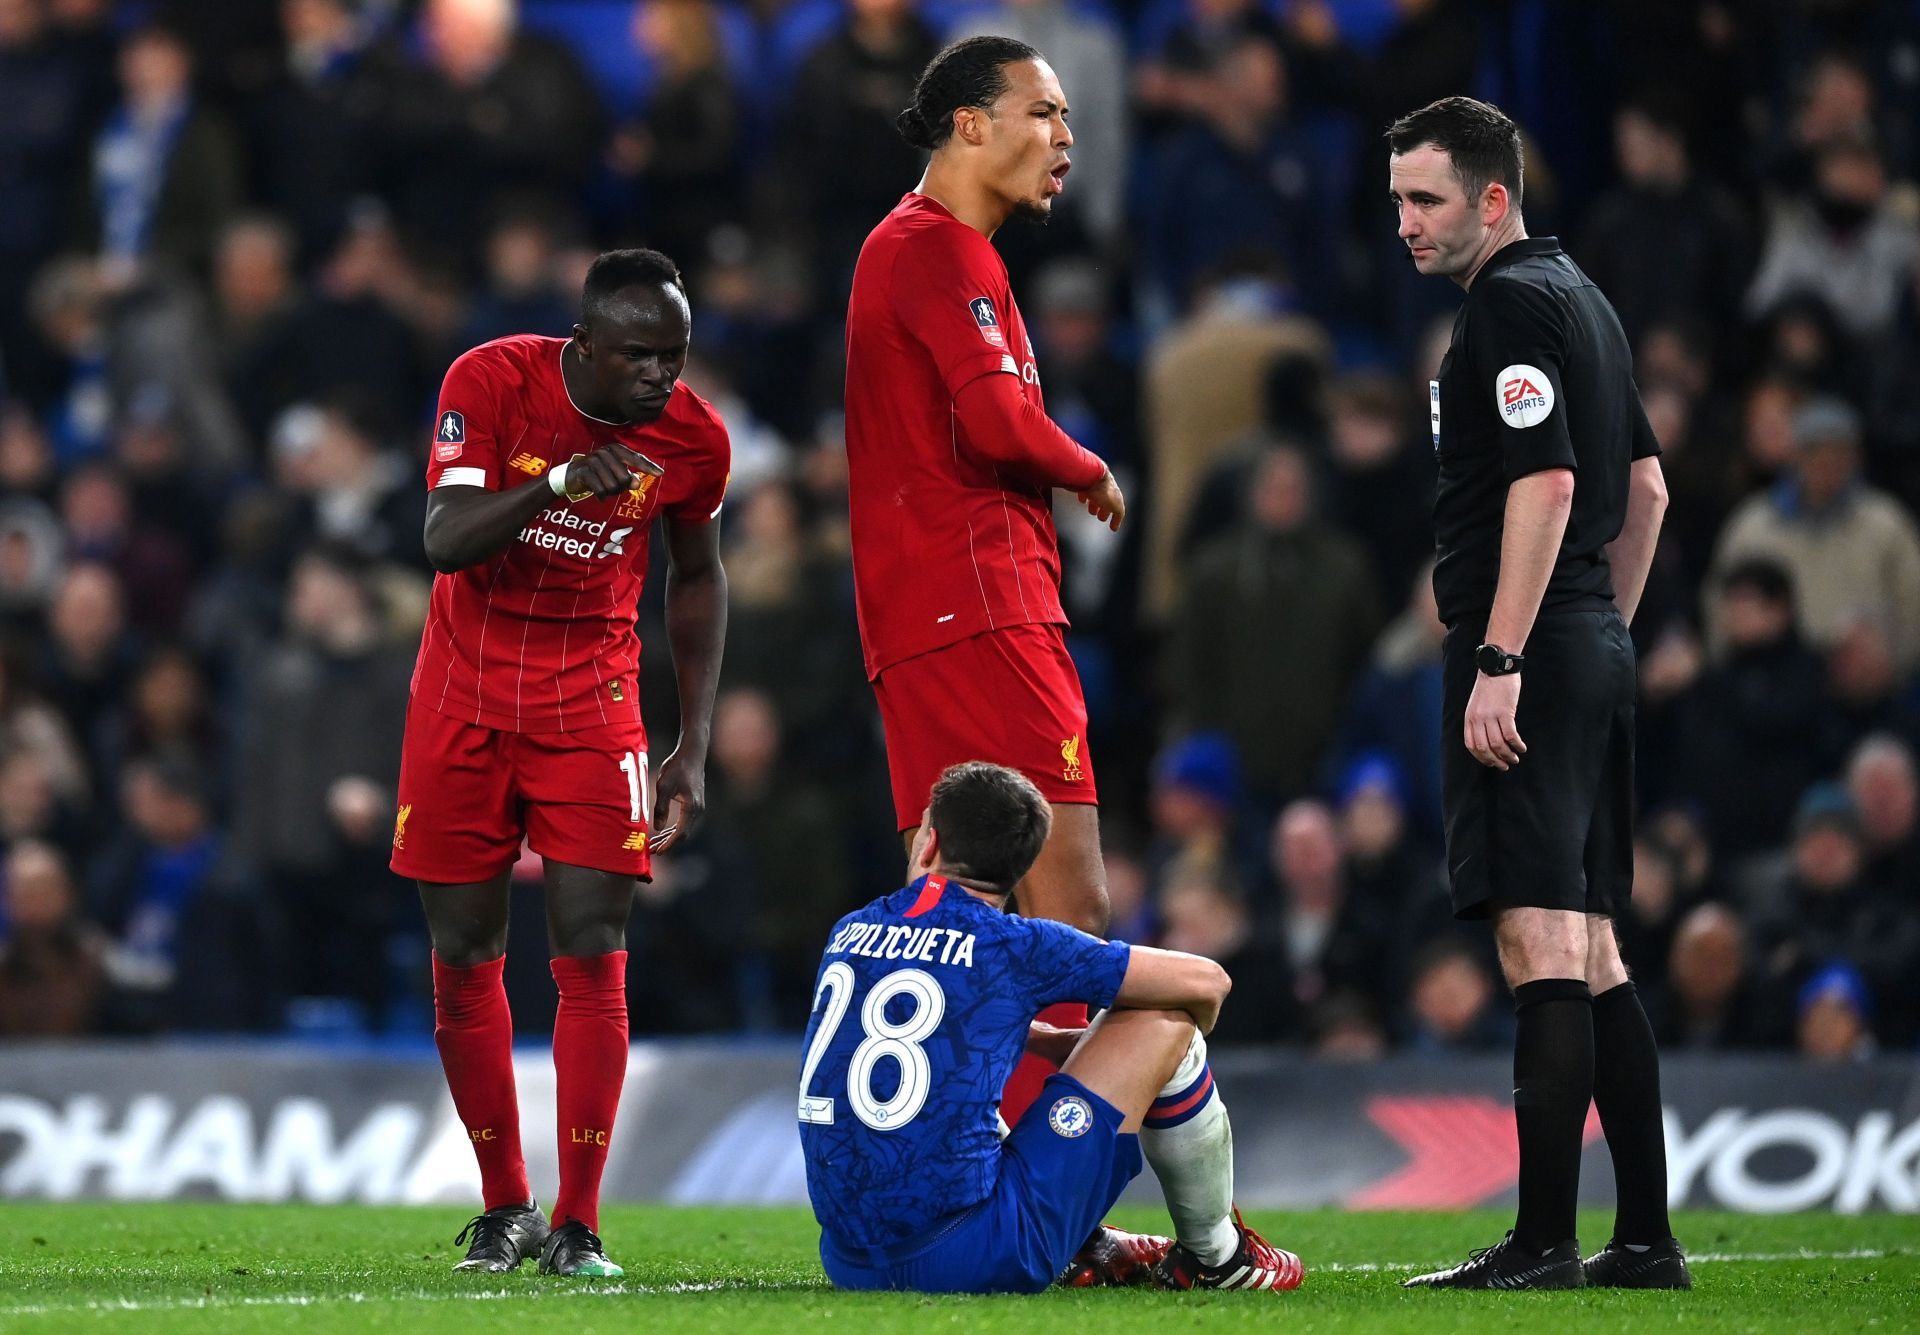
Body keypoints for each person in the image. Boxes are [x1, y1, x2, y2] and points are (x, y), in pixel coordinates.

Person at [1388, 97, 1687, 1291]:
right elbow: (1650, 489)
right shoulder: (1584, 298)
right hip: (1587, 640)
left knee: (1536, 934)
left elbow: (1552, 483)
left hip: (1531, 646)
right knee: (1597, 947)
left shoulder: (1508, 302)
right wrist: (1596, 627)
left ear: (1493, 201)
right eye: (1398, 197)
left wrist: (1510, 654)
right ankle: (1646, 1240)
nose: (1405, 222)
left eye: (1428, 200)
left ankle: (1545, 1240)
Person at [389, 248, 730, 1278]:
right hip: (462, 694)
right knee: (464, 945)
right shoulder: (488, 381)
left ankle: (578, 1224)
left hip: (593, 702)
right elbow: (445, 539)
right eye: (636, 355)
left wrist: (691, 745)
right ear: (582, 344)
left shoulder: (694, 439)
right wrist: (562, 480)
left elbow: (699, 579)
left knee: (592, 943)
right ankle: (506, 1209)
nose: (658, 378)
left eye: (673, 356)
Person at [843, 35, 1125, 1129]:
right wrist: (1088, 466)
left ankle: (963, 1161)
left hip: (924, 618)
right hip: (981, 608)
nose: (1066, 139)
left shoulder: (909, 250)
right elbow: (997, 420)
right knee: (1069, 911)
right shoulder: (937, 250)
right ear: (971, 124)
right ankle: (1061, 1194)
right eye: (1045, 114)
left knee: (956, 910)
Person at [799, 761, 1302, 1294]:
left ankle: (1084, 1240)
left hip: (847, 1260)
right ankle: (1217, 1257)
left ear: (929, 843)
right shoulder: (1015, 944)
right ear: (1023, 867)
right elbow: (1208, 982)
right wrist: (1140, 1059)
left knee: (951, 1111)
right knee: (1164, 1019)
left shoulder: (851, 931)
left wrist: (1032, 1037)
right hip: (973, 1256)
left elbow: (906, 1036)